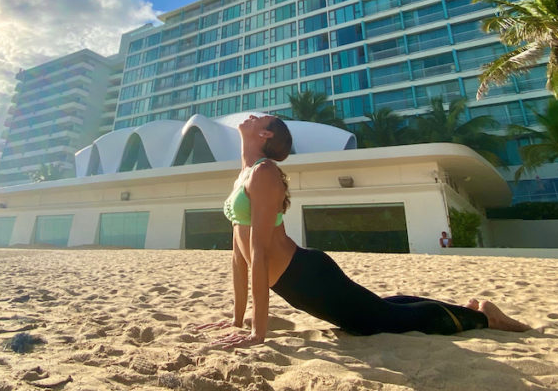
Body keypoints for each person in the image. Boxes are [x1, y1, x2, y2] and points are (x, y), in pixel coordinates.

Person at [205, 114, 530, 349]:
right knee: (379, 309)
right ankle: (468, 310)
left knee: (382, 320)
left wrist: (258, 333)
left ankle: (484, 317)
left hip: (305, 276)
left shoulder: (264, 174)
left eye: (259, 118)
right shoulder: (245, 174)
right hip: (295, 280)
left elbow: (259, 251)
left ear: (264, 135)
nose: (250, 117)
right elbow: (240, 255)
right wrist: (237, 320)